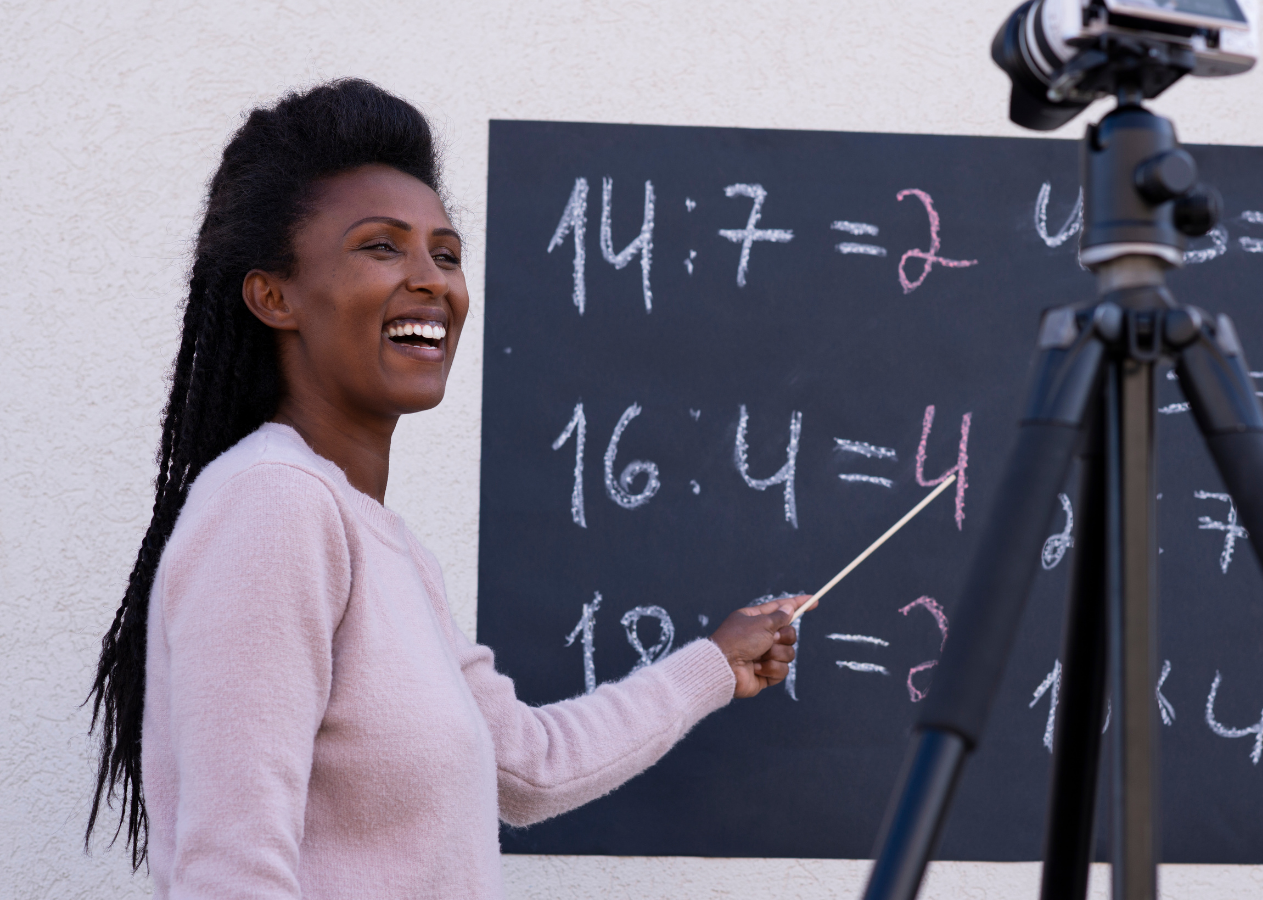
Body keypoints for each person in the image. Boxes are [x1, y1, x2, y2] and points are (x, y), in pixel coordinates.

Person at [85, 78, 803, 899]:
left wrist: (715, 663)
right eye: (382, 247)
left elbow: (529, 768)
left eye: (447, 253)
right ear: (273, 296)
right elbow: (230, 873)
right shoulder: (273, 505)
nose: (433, 280)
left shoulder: (386, 547)